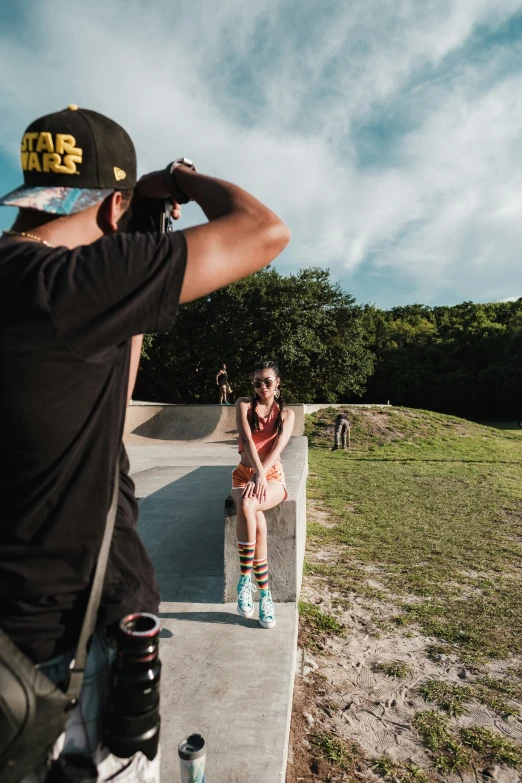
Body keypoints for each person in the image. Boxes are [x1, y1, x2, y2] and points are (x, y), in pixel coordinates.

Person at [0, 105, 290, 782]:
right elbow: (264, 230)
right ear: (113, 210)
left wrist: (128, 296)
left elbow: (109, 402)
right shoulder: (67, 286)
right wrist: (178, 181)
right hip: (69, 652)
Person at [232, 361, 295, 629]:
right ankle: (265, 595)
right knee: (256, 519)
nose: (262, 386)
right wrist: (255, 473)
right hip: (244, 474)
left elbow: (278, 449)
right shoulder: (244, 405)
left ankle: (245, 578)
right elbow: (246, 440)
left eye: (268, 381)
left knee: (249, 503)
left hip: (273, 478)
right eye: (257, 382)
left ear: (277, 382)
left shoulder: (286, 414)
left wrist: (262, 474)